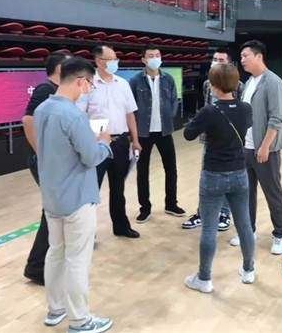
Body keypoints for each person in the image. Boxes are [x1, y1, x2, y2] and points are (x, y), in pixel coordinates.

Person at [34, 56, 113, 333]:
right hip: (77, 197)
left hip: (52, 195)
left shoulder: (42, 109)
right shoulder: (74, 115)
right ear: (81, 81)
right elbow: (91, 157)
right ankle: (80, 319)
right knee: (78, 259)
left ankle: (55, 308)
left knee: (55, 253)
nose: (89, 89)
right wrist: (104, 143)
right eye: (90, 84)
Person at [182, 63, 255, 293]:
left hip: (213, 174)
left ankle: (204, 279)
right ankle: (248, 270)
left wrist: (197, 121)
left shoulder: (209, 111)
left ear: (213, 86)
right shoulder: (245, 109)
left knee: (209, 229)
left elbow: (188, 134)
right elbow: (247, 126)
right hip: (239, 173)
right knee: (244, 224)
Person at [230, 40, 282, 256]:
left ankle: (279, 235)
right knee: (246, 193)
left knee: (273, 193)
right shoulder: (248, 82)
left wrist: (265, 146)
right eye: (241, 56)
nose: (242, 60)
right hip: (246, 148)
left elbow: (276, 118)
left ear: (259, 57)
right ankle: (249, 231)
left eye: (245, 56)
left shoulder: (273, 82)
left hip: (265, 150)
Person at [78, 45, 141, 239]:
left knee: (118, 187)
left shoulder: (122, 84)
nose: (115, 62)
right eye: (110, 59)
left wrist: (135, 140)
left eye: (116, 59)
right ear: (98, 61)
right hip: (96, 144)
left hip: (120, 142)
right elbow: (80, 115)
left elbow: (130, 114)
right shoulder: (88, 85)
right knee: (92, 189)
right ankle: (88, 233)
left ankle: (121, 226)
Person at [182, 48, 245, 231]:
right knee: (206, 176)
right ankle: (203, 213)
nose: (216, 62)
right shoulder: (206, 84)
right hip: (210, 139)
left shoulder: (239, 86)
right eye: (214, 59)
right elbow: (206, 106)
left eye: (221, 60)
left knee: (228, 177)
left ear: (229, 64)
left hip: (230, 140)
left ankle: (224, 214)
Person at [22, 50, 71, 285]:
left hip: (57, 161)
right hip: (46, 162)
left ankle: (44, 263)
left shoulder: (59, 91)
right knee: (52, 211)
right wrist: (41, 153)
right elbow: (27, 119)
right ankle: (37, 266)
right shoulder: (45, 90)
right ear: (60, 69)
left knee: (54, 211)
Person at [129, 44, 185, 223]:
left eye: (157, 55)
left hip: (165, 131)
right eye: (151, 55)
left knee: (171, 169)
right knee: (142, 171)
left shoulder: (168, 79)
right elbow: (130, 108)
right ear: (143, 60)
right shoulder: (135, 81)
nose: (155, 58)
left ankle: (171, 204)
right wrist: (133, 135)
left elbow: (174, 101)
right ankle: (145, 208)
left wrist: (169, 116)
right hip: (143, 133)